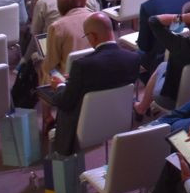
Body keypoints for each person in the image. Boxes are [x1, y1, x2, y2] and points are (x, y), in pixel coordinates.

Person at [47, 12, 141, 155]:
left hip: (85, 127)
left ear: (93, 36)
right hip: (120, 120)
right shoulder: (133, 58)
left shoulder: (82, 65)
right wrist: (75, 80)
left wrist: (60, 85)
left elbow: (65, 101)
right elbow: (109, 79)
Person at [41, 0, 94, 84]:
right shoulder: (98, 18)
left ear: (59, 4)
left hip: (69, 79)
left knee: (42, 66)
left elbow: (51, 63)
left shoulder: (57, 27)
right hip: (95, 71)